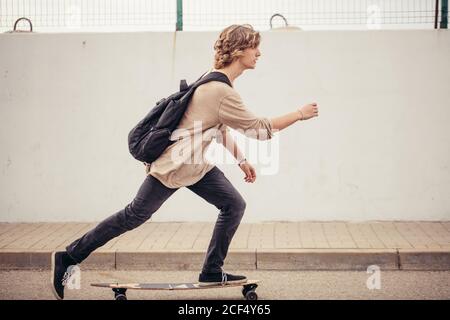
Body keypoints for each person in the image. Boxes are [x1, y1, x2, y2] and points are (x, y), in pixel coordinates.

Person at [51, 23, 319, 300]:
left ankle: (212, 271)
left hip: (196, 167)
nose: (259, 53)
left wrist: (241, 160)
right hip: (174, 166)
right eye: (254, 46)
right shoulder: (219, 90)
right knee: (134, 215)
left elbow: (219, 127)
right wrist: (299, 113)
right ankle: (69, 255)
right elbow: (260, 129)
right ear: (239, 50)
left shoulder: (215, 83)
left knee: (233, 204)